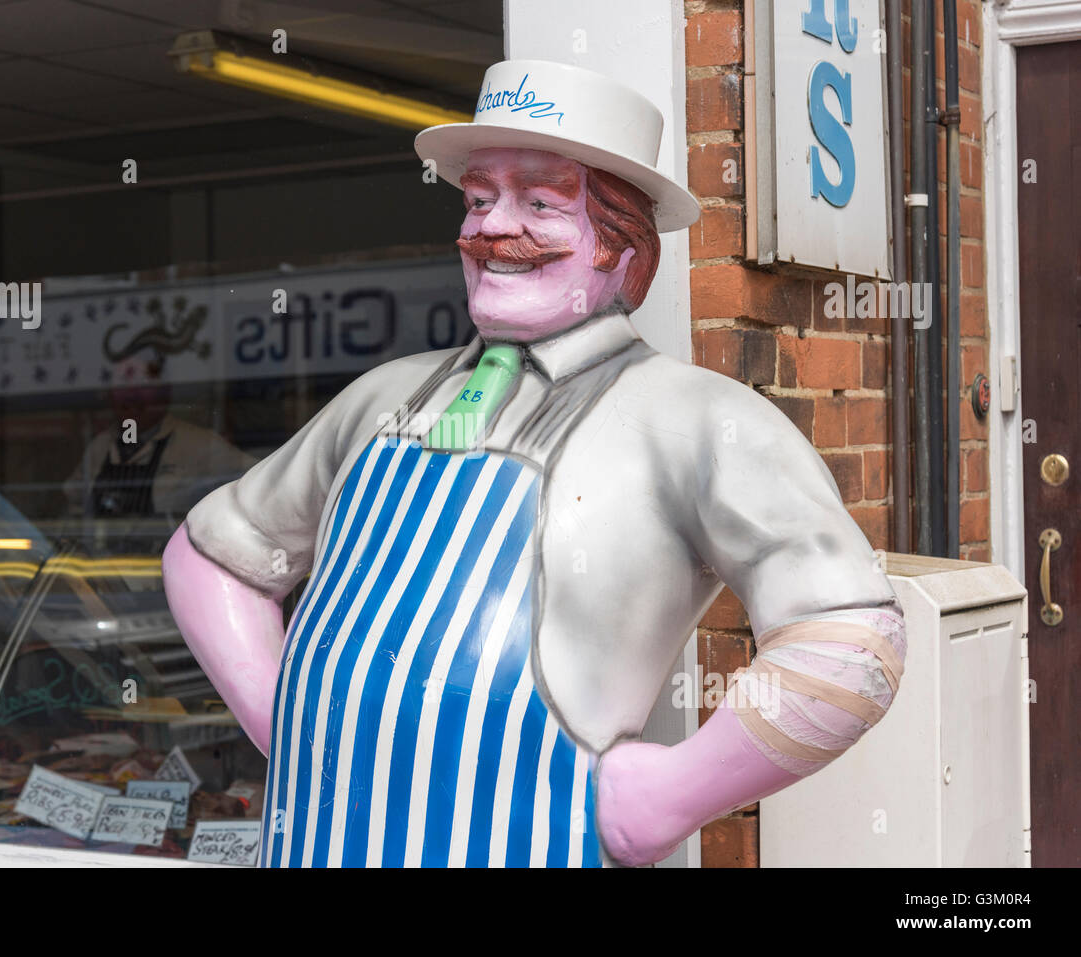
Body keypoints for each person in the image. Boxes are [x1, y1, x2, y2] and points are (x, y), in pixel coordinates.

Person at [163, 60, 907, 867]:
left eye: (541, 203)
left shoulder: (699, 421)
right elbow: (214, 557)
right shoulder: (382, 398)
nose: (489, 227)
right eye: (480, 199)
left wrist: (668, 796)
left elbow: (850, 638)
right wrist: (294, 721)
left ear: (624, 251)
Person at [63, 347, 256, 524]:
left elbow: (258, 480)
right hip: (106, 561)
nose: (132, 395)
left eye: (143, 384)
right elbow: (72, 510)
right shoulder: (100, 447)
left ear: (166, 392)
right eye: (123, 382)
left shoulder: (200, 445)